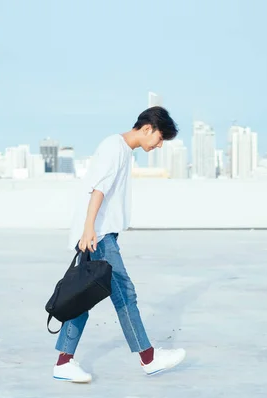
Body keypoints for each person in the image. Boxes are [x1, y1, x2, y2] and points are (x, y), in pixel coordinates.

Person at [53, 106, 186, 383]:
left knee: (83, 297)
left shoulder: (123, 151)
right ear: (148, 128)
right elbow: (97, 189)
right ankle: (148, 358)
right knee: (125, 294)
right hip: (98, 235)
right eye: (160, 138)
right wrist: (89, 229)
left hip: (100, 233)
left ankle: (64, 362)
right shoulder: (114, 147)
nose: (159, 145)